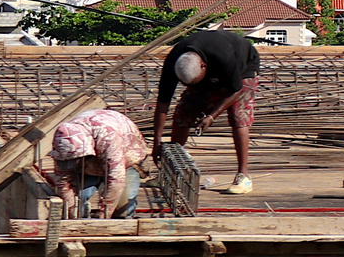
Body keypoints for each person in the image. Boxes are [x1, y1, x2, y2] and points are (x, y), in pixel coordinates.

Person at [154, 28, 263, 194]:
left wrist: (212, 116)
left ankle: (244, 176)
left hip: (243, 70)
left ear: (204, 67)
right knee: (184, 111)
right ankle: (171, 171)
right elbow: (163, 102)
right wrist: (157, 142)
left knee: (238, 115)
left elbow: (236, 89)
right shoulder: (174, 61)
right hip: (210, 72)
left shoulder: (224, 57)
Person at [41, 108, 151, 218]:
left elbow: (117, 180)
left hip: (125, 160)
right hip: (91, 162)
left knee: (123, 211)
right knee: (78, 200)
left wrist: (104, 213)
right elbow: (63, 182)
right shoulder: (64, 141)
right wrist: (72, 213)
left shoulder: (109, 137)